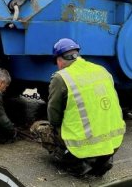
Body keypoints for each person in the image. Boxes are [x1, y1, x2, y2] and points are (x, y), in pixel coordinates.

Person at [31, 38, 125, 177]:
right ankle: (102, 159)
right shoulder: (102, 70)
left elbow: (54, 117)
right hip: (113, 143)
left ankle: (76, 163)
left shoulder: (61, 77)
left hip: (81, 149)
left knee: (38, 127)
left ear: (60, 59)